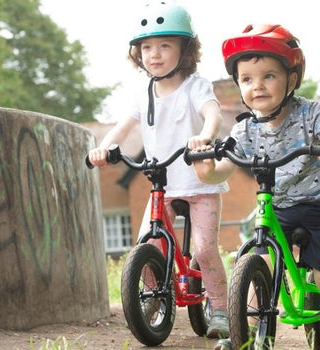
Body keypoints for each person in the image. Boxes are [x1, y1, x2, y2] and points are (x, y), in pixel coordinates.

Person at [192, 24, 320, 350]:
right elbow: (220, 172)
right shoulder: (244, 131)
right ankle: (246, 335)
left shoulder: (310, 113)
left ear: (292, 79)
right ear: (238, 84)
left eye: (269, 76)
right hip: (280, 204)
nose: (257, 86)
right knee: (259, 263)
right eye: (247, 79)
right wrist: (205, 167)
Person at [86, 1, 230, 339]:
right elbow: (122, 128)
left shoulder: (195, 86)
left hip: (198, 183)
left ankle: (220, 308)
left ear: (185, 49)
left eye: (165, 45)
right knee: (146, 245)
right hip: (161, 184)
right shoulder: (143, 93)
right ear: (138, 54)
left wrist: (205, 138)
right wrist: (104, 148)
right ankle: (153, 300)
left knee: (205, 249)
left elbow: (212, 114)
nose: (155, 54)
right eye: (147, 47)